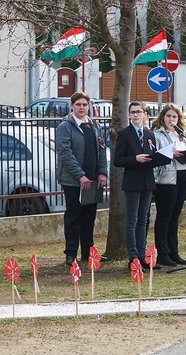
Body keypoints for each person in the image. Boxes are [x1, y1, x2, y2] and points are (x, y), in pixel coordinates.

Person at [56, 91, 108, 266]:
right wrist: (80, 175)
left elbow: (101, 150)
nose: (81, 108)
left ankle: (88, 252)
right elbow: (65, 153)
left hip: (92, 179)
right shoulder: (65, 127)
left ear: (89, 106)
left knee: (89, 216)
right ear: (72, 106)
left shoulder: (94, 126)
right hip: (73, 180)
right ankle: (71, 253)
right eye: (78, 104)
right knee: (73, 215)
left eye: (84, 105)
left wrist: (102, 172)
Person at [113, 100, 157, 270]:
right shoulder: (124, 133)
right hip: (132, 181)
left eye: (139, 112)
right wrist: (135, 159)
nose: (136, 115)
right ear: (129, 115)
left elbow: (152, 154)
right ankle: (133, 257)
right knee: (132, 219)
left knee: (143, 219)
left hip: (147, 180)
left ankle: (142, 254)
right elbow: (118, 160)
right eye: (133, 112)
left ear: (146, 115)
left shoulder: (149, 133)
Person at [151, 103, 186, 267]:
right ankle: (163, 253)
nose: (171, 119)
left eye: (174, 116)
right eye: (168, 116)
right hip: (166, 178)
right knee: (164, 216)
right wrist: (170, 153)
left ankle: (174, 252)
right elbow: (155, 155)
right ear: (162, 117)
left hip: (182, 175)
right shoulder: (157, 135)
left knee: (175, 217)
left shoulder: (181, 135)